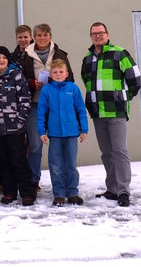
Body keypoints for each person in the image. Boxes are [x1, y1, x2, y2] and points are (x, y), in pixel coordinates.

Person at [81, 22, 141, 207]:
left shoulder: (119, 53)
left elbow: (135, 79)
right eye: (94, 34)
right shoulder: (88, 57)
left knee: (119, 150)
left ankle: (123, 191)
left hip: (116, 111)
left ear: (107, 34)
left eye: (101, 33)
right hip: (98, 112)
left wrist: (123, 97)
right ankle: (112, 188)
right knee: (106, 153)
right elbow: (86, 79)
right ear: (91, 36)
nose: (98, 36)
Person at [21, 23, 73, 193]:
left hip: (57, 105)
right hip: (35, 104)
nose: (42, 38)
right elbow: (20, 80)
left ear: (50, 36)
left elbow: (70, 78)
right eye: (39, 35)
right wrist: (31, 83)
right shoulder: (25, 55)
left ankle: (64, 182)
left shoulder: (60, 54)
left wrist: (53, 83)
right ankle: (33, 181)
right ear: (33, 37)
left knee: (61, 144)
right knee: (35, 145)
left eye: (45, 35)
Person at [0, 46, 35, 206]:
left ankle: (27, 192)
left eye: (4, 58)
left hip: (15, 128)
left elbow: (25, 98)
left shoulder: (16, 76)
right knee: (3, 161)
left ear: (8, 60)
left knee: (19, 160)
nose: (1, 60)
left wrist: (20, 119)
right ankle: (9, 192)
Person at [37, 59, 88, 207]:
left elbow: (80, 110)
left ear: (66, 74)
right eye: (55, 72)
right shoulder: (47, 90)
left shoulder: (73, 88)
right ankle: (59, 194)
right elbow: (41, 112)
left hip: (71, 133)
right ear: (50, 75)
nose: (58, 74)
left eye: (61, 72)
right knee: (56, 165)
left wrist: (83, 129)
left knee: (71, 164)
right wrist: (42, 131)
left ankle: (72, 192)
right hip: (54, 134)